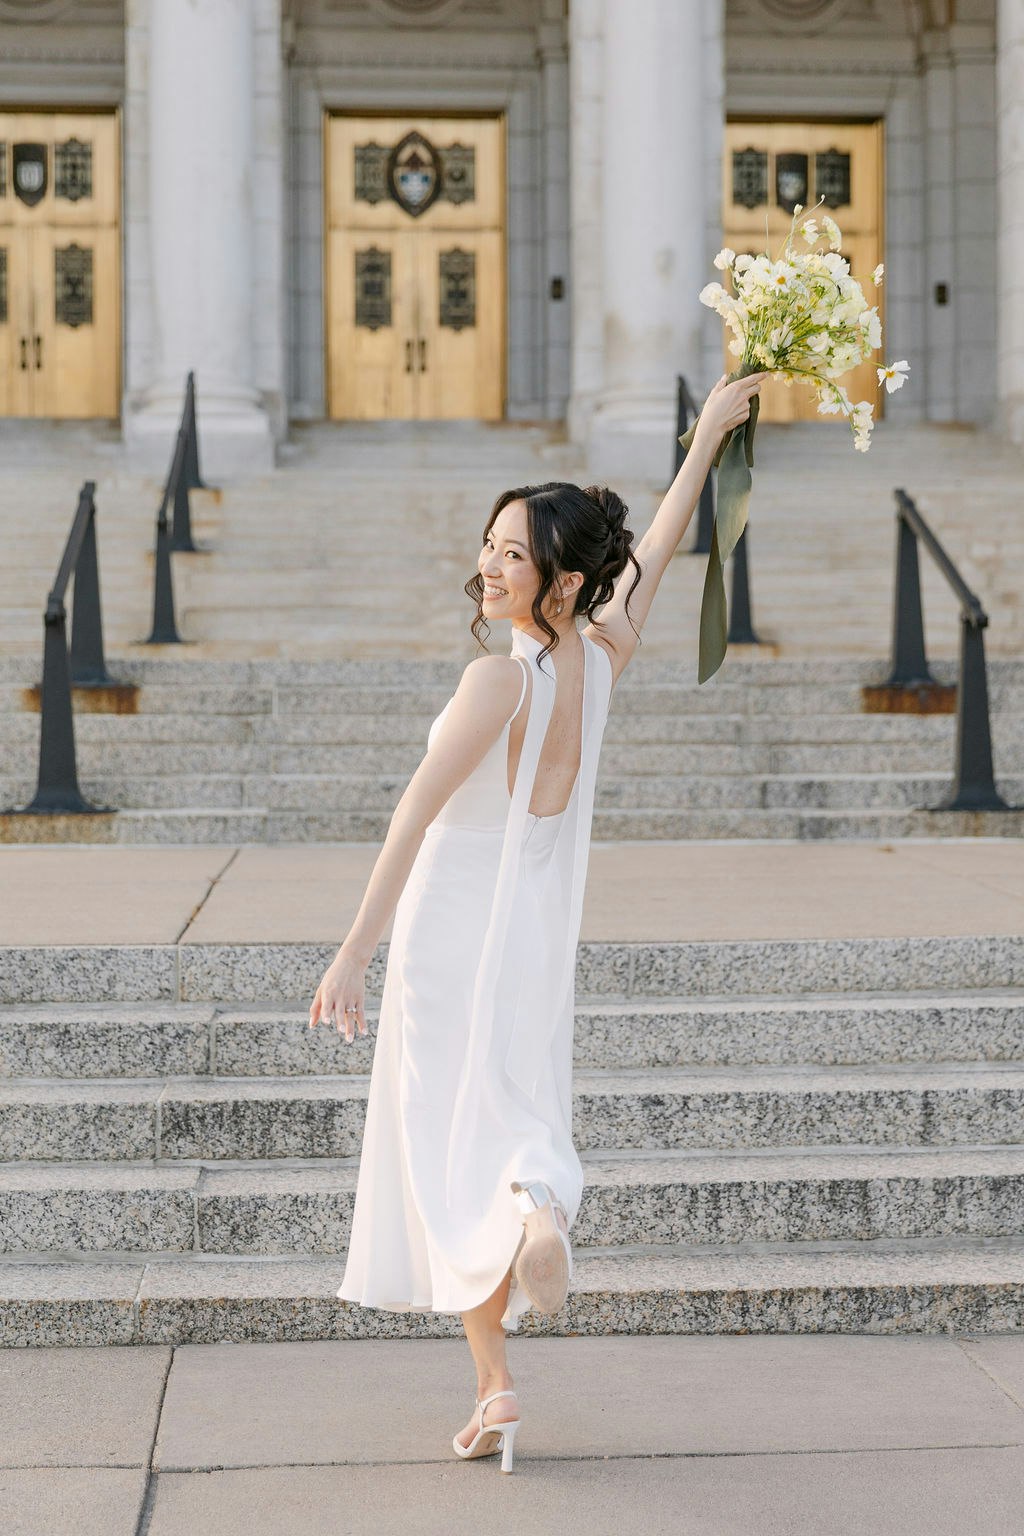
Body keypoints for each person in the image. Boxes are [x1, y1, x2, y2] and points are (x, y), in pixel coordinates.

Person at [309, 371, 765, 1473]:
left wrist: (353, 952)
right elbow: (649, 557)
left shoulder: (494, 684)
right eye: (491, 545)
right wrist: (703, 442)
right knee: (508, 1124)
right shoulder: (595, 662)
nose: (490, 565)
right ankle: (531, 1239)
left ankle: (502, 1373)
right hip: (533, 940)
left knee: (441, 1149)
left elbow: (411, 820)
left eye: (513, 554)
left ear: (555, 582)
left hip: (450, 934)